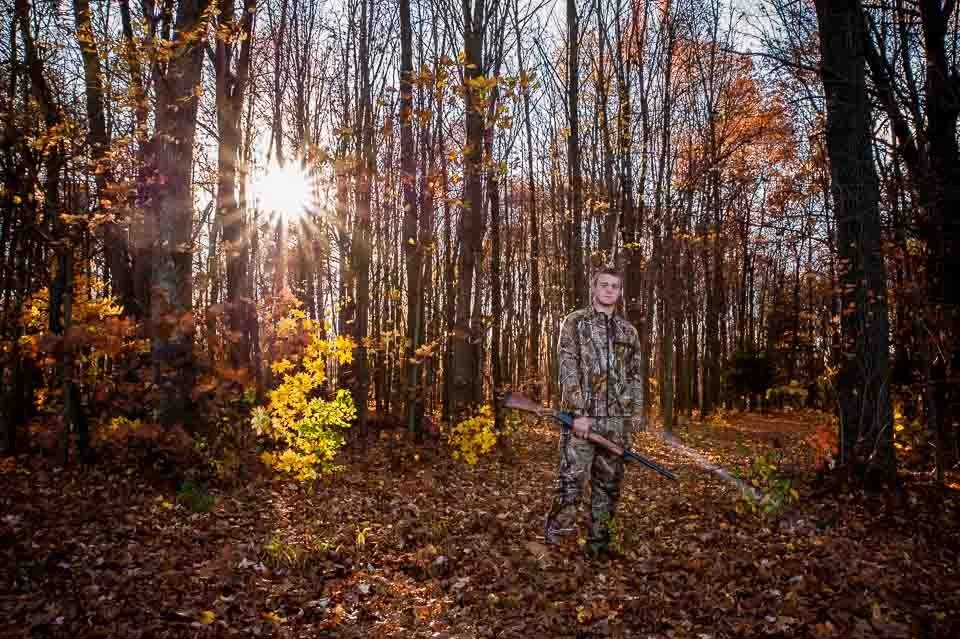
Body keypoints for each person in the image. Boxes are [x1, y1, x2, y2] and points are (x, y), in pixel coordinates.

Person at [544, 265, 645, 559]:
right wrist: (578, 413)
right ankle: (554, 550)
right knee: (570, 486)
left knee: (608, 489)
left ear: (620, 291)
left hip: (616, 424)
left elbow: (635, 376)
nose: (609, 290)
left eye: (614, 285)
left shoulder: (629, 331)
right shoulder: (575, 323)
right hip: (582, 422)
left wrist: (634, 416)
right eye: (604, 284)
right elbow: (567, 367)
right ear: (594, 288)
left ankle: (598, 551)